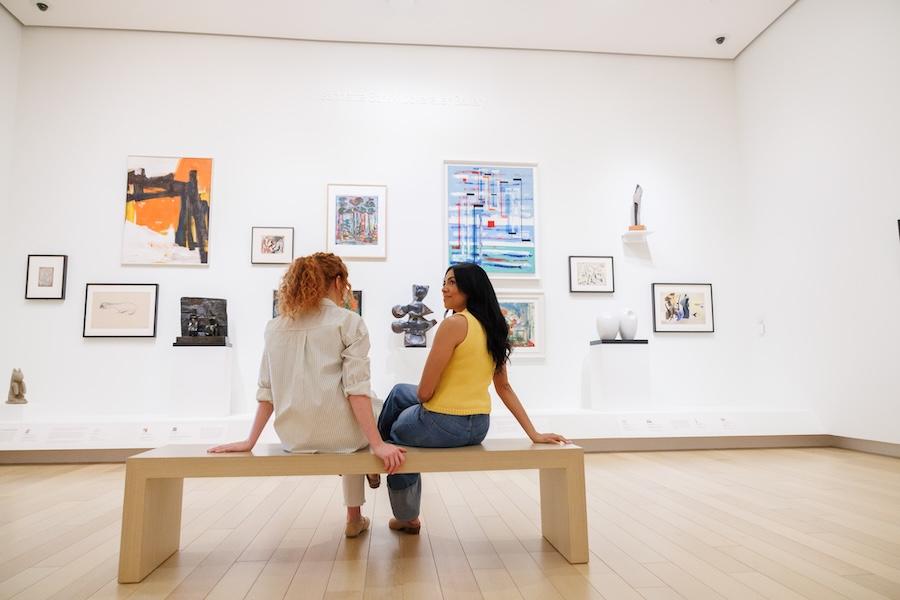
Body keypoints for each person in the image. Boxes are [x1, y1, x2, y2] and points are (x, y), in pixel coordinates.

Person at [209, 252, 406, 538]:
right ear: (338, 281)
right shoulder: (349, 322)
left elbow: (267, 390)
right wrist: (377, 445)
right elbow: (356, 390)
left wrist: (249, 440)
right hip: (346, 437)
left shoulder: (274, 327)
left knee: (351, 410)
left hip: (294, 437)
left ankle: (355, 517)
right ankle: (355, 513)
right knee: (366, 407)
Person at [377, 262, 570, 534]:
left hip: (441, 423)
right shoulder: (494, 327)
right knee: (398, 392)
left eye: (452, 282)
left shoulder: (454, 324)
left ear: (471, 288)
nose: (444, 288)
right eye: (445, 281)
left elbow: (424, 393)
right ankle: (377, 450)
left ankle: (406, 516)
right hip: (478, 426)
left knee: (396, 434)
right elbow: (504, 388)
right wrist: (534, 433)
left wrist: (425, 402)